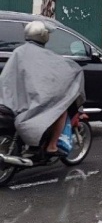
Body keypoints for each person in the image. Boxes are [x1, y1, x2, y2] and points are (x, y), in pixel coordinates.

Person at [0, 21, 85, 158]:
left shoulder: (18, 52)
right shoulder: (47, 56)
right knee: (60, 110)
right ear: (44, 36)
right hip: (33, 102)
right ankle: (51, 146)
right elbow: (60, 74)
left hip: (12, 100)